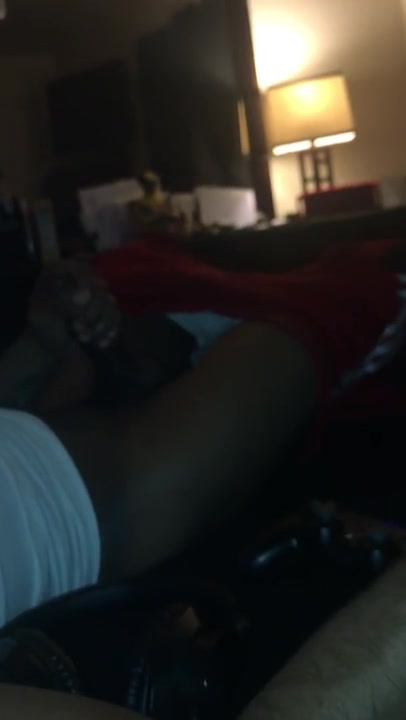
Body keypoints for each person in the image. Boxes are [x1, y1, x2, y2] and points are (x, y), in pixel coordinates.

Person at [0, 233, 404, 627]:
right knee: (329, 315)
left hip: (62, 454)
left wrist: (37, 346)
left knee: (317, 313)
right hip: (91, 503)